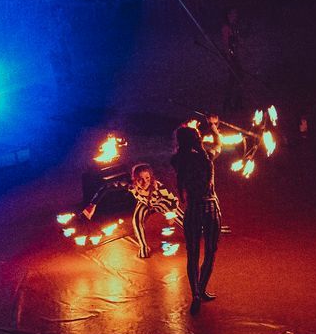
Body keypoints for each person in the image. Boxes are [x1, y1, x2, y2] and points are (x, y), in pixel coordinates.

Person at [173, 120, 225, 311]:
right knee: (210, 251)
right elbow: (219, 144)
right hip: (210, 209)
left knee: (192, 254)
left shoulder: (177, 160)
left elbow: (181, 148)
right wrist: (213, 128)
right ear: (198, 140)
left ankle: (195, 293)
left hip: (192, 210)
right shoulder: (207, 156)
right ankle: (201, 290)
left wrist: (189, 131)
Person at [82, 162, 182, 259]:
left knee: (183, 220)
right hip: (144, 203)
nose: (144, 182)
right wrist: (93, 204)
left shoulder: (159, 187)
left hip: (163, 203)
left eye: (147, 178)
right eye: (140, 179)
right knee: (136, 220)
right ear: (134, 179)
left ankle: (194, 232)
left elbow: (173, 200)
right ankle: (143, 247)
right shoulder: (130, 185)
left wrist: (172, 213)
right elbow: (107, 187)